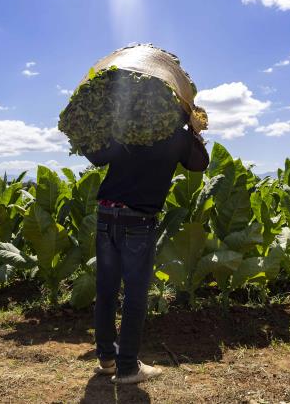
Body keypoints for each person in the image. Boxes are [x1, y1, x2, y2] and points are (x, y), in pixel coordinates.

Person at [82, 119, 209, 384]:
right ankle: (127, 366)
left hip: (107, 215)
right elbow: (200, 164)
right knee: (135, 293)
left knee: (105, 289)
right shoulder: (177, 137)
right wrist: (194, 132)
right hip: (137, 221)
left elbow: (95, 156)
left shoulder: (129, 128)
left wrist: (90, 128)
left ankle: (106, 358)